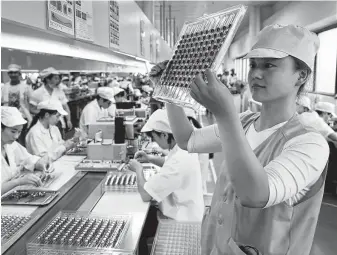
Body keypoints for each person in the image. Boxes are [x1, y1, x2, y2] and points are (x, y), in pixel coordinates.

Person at [153, 24, 329, 255]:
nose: (256, 73)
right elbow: (188, 140)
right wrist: (169, 91)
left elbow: (255, 194)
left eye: (269, 65)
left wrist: (225, 115)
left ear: (301, 75)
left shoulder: (309, 144)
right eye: (254, 64)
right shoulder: (246, 122)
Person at [127, 109, 204, 254]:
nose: (154, 141)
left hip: (180, 225)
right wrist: (149, 159)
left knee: (138, 231)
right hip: (187, 215)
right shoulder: (181, 149)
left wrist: (138, 169)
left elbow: (145, 195)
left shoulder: (178, 161)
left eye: (154, 137)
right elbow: (168, 162)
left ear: (163, 134)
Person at [1, 106, 50, 194]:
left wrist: (40, 164)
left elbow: (28, 159)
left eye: (19, 132)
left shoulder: (10, 145)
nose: (16, 137)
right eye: (13, 131)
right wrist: (18, 181)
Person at [1, 64, 33, 145]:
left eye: (15, 72)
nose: (13, 74)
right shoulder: (4, 87)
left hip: (23, 119)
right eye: (11, 72)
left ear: (19, 73)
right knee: (8, 142)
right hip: (7, 120)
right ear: (8, 74)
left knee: (22, 142)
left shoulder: (26, 87)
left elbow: (32, 103)